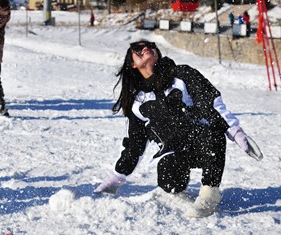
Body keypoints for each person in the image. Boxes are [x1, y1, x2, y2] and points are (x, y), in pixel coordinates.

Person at [94, 40, 262, 218]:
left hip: (199, 140)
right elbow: (134, 145)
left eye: (150, 46)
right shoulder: (137, 102)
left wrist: (235, 132)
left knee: (213, 134)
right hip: (172, 152)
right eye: (138, 49)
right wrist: (116, 178)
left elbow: (210, 102)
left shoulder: (181, 74)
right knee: (170, 185)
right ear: (133, 64)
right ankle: (178, 190)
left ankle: (209, 196)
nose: (146, 49)